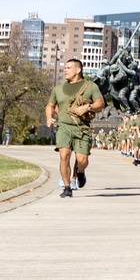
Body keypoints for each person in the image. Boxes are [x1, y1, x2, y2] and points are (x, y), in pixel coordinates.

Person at [44, 58, 106, 198]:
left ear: (78, 70)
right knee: (64, 156)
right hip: (64, 127)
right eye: (65, 67)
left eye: (68, 67)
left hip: (82, 128)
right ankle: (67, 187)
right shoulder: (58, 88)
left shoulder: (90, 86)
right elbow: (50, 105)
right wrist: (49, 117)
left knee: (82, 159)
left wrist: (88, 107)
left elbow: (100, 104)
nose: (65, 70)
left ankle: (80, 171)